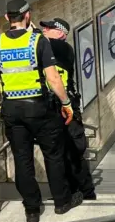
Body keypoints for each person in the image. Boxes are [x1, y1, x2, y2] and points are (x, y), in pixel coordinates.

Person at [0, 0, 83, 222]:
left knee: (22, 158)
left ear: (8, 18)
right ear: (27, 16)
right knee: (53, 155)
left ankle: (32, 210)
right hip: (40, 107)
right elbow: (53, 78)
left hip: (12, 109)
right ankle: (61, 202)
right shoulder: (37, 41)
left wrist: (0, 104)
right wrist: (66, 103)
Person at [41, 18, 96, 200]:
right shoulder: (48, 47)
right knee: (58, 154)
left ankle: (87, 193)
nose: (44, 30)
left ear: (60, 33)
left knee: (74, 152)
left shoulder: (63, 49)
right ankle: (69, 191)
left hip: (69, 109)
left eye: (49, 28)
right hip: (53, 109)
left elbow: (35, 39)